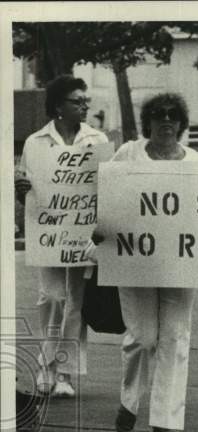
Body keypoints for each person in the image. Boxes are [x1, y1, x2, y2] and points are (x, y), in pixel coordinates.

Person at [103, 93, 198, 432]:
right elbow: (107, 194)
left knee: (176, 337)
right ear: (149, 122)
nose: (166, 121)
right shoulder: (129, 153)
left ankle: (167, 419)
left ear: (181, 122)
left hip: (179, 263)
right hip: (135, 261)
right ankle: (129, 401)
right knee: (143, 337)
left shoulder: (193, 159)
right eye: (159, 116)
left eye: (173, 115)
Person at [15, 75, 108, 399]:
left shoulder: (97, 140)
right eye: (77, 101)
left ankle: (64, 372)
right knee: (51, 297)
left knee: (75, 303)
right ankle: (46, 365)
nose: (84, 106)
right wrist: (21, 191)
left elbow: (106, 188)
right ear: (58, 106)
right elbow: (28, 188)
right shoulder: (35, 143)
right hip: (49, 233)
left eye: (85, 100)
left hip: (81, 233)